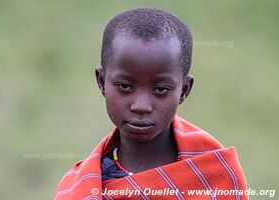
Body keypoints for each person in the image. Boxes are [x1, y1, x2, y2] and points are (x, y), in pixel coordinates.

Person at [54, 7, 248, 200]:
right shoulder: (79, 188)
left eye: (161, 89)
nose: (141, 106)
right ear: (101, 82)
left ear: (184, 90)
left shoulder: (215, 176)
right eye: (124, 86)